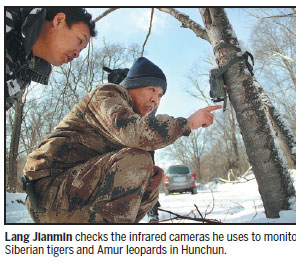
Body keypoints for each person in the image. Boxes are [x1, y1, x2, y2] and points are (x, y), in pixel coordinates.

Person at [22, 57, 221, 223]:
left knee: (149, 183)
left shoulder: (133, 117)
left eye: (160, 95)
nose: (156, 99)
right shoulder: (107, 93)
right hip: (48, 191)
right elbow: (134, 132)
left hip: (70, 198)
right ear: (133, 85)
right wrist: (188, 123)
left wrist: (147, 181)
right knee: (138, 160)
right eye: (152, 89)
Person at [5, 8, 97, 111]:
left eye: (81, 50)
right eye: (80, 40)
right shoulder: (9, 15)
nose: (77, 54)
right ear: (59, 20)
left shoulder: (23, 76)